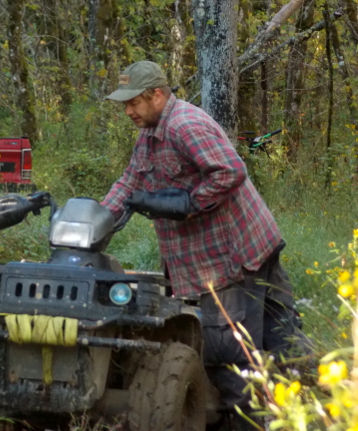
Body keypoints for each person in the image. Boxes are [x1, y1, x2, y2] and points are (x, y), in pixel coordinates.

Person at [102, 61, 309, 431]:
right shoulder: (150, 134)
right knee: (281, 343)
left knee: (230, 359)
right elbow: (129, 183)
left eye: (133, 102)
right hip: (251, 244)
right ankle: (296, 415)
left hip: (229, 261)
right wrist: (94, 223)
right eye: (125, 105)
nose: (128, 111)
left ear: (158, 95)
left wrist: (190, 202)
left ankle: (251, 422)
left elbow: (231, 170)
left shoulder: (185, 126)